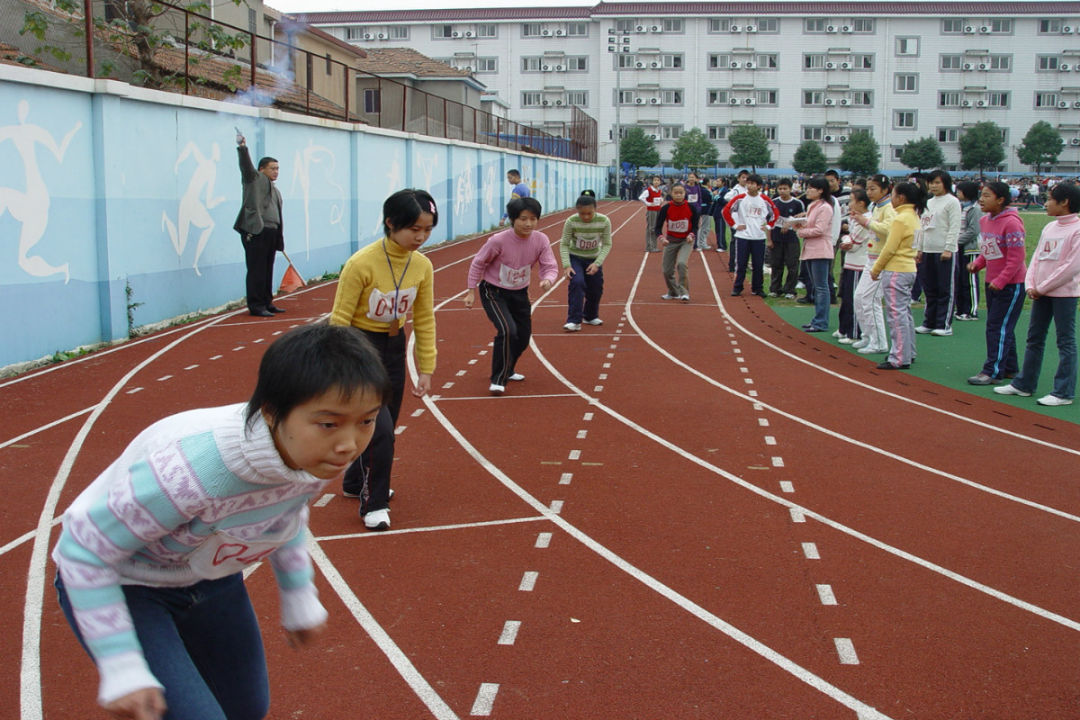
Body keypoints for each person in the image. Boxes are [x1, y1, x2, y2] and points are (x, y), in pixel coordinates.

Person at [52, 324, 389, 720]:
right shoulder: (188, 474)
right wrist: (121, 664)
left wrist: (298, 594)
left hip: (210, 578)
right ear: (270, 412)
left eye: (366, 421)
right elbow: (82, 551)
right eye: (330, 423)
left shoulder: (315, 452)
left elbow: (286, 512)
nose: (349, 443)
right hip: (129, 582)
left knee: (246, 708)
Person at [329, 189, 437, 531]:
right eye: (413, 229)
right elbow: (339, 319)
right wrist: (340, 366)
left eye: (428, 229)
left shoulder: (422, 266)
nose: (420, 237)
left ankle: (353, 482)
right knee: (382, 432)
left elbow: (424, 319)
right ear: (390, 223)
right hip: (360, 347)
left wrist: (426, 367)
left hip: (394, 348)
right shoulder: (361, 263)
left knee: (383, 425)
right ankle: (373, 504)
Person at [994, 182, 1080, 406]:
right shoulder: (1049, 228)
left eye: (1051, 199)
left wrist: (1043, 287)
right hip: (1039, 292)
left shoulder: (1077, 229)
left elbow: (1071, 267)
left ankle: (1063, 392)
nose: (1047, 203)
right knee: (1034, 338)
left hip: (1064, 294)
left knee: (1065, 341)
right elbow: (1036, 258)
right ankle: (1024, 384)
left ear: (1065, 202)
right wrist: (1030, 283)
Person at [465, 197, 559, 394]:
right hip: (493, 291)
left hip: (520, 292)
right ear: (513, 219)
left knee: (523, 336)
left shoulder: (540, 239)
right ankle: (498, 379)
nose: (528, 224)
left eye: (533, 219)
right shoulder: (498, 241)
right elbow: (478, 263)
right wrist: (470, 291)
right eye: (523, 219)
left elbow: (549, 265)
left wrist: (548, 279)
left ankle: (508, 367)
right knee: (507, 329)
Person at [966, 181, 1028, 385]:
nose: (981, 200)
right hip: (993, 282)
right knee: (1001, 326)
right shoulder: (985, 221)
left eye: (986, 196)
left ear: (1000, 200)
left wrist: (1002, 280)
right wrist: (978, 264)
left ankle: (992, 370)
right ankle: (1010, 367)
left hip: (1011, 284)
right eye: (980, 195)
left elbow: (1016, 258)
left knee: (997, 327)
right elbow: (989, 250)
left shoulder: (1012, 223)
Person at [870, 181, 923, 370]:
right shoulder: (914, 216)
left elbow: (890, 248)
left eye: (893, 195)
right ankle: (908, 351)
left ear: (901, 198)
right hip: (908, 268)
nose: (891, 199)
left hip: (896, 269)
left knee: (896, 315)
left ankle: (899, 356)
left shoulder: (900, 219)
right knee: (904, 313)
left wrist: (876, 268)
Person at [233, 132, 284, 317]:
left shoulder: (276, 190)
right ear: (261, 169)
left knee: (268, 268)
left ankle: (267, 301)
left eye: (278, 168)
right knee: (257, 269)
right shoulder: (253, 179)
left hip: (271, 232)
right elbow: (246, 166)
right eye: (272, 168)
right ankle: (256, 305)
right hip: (256, 231)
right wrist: (242, 147)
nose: (276, 171)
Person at [851, 175, 897, 355]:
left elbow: (889, 229)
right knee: (859, 297)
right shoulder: (877, 207)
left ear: (885, 190)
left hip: (882, 260)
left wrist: (867, 222)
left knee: (871, 299)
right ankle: (868, 335)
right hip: (871, 258)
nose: (869, 192)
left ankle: (879, 341)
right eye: (868, 189)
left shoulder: (888, 208)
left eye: (873, 189)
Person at [914, 170, 962, 336]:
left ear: (945, 184)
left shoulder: (952, 202)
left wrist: (948, 248)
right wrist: (919, 248)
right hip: (928, 250)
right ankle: (929, 321)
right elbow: (922, 227)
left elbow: (955, 226)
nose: (933, 186)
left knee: (945, 289)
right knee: (929, 288)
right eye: (931, 183)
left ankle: (944, 324)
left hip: (943, 251)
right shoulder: (929, 202)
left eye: (937, 183)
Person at [560, 193, 612, 331]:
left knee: (595, 288)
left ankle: (590, 315)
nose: (586, 217)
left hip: (594, 258)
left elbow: (607, 244)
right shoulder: (571, 221)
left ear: (595, 209)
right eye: (582, 214)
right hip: (575, 257)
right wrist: (567, 265)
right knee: (577, 283)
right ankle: (574, 320)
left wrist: (597, 263)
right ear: (577, 210)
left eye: (590, 213)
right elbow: (564, 244)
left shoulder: (604, 221)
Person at [723, 173, 778, 297]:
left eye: (752, 183)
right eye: (748, 183)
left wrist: (769, 226)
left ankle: (757, 288)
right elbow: (726, 211)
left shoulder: (764, 199)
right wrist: (735, 225)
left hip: (758, 237)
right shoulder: (740, 198)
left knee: (758, 265)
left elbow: (775, 213)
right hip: (743, 236)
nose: (749, 186)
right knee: (741, 263)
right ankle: (737, 287)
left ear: (758, 186)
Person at [796, 176, 835, 332]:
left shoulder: (825, 207)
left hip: (820, 250)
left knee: (821, 287)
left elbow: (819, 230)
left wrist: (801, 231)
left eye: (812, 188)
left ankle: (821, 321)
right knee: (816, 287)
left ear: (820, 190)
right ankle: (817, 319)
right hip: (811, 250)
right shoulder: (813, 206)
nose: (808, 190)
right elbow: (810, 224)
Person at [837, 188, 872, 343]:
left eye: (852, 200)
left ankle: (855, 333)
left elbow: (854, 243)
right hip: (850, 262)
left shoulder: (866, 220)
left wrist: (846, 240)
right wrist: (847, 239)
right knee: (846, 297)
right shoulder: (854, 218)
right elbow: (849, 238)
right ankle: (844, 328)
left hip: (859, 263)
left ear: (861, 203)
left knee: (854, 299)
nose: (849, 204)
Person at [656, 183, 699, 302]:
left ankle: (684, 292)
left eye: (681, 193)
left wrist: (691, 235)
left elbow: (695, 226)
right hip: (671, 240)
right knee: (667, 270)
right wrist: (662, 238)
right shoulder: (666, 208)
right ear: (671, 193)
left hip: (686, 240)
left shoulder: (691, 208)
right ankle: (673, 292)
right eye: (676, 192)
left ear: (685, 194)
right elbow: (657, 227)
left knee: (681, 264)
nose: (679, 195)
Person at [953, 181, 984, 321]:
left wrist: (957, 241)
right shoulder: (959, 207)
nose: (957, 193)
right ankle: (960, 309)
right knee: (959, 279)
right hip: (958, 247)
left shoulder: (975, 209)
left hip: (970, 248)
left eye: (959, 191)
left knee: (969, 280)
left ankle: (971, 310)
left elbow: (973, 230)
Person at [768, 178, 804, 298]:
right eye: (780, 189)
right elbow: (769, 223)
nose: (782, 191)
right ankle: (775, 289)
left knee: (792, 265)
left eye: (785, 189)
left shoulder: (797, 204)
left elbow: (802, 222)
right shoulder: (774, 203)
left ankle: (789, 290)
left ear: (790, 189)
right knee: (776, 264)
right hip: (776, 238)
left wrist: (790, 225)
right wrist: (769, 239)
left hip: (791, 239)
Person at [639, 175, 665, 252]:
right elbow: (641, 198)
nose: (656, 182)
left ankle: (654, 246)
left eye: (658, 180)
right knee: (651, 228)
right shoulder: (648, 190)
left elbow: (660, 197)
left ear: (660, 182)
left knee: (656, 228)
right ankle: (649, 247)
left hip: (658, 210)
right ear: (652, 182)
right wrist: (649, 204)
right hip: (651, 211)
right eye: (655, 180)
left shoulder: (659, 190)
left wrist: (661, 200)